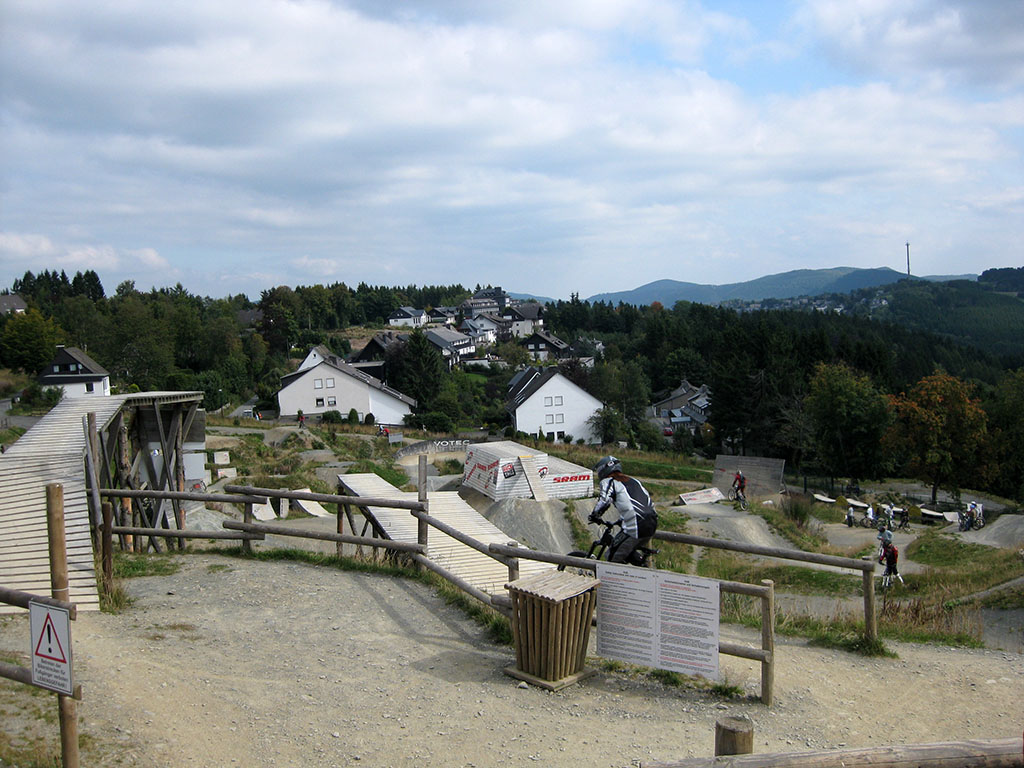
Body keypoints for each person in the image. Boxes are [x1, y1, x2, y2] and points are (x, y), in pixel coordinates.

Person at [589, 456, 658, 565]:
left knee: (611, 557)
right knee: (627, 552)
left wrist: (594, 515)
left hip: (636, 526)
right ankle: (639, 569)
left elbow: (604, 500)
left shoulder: (609, 481)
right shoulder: (634, 481)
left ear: (603, 470)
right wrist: (622, 519)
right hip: (652, 522)